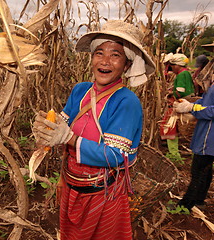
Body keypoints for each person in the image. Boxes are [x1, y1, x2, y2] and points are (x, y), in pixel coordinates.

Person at [33, 20, 155, 240]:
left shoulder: (126, 102)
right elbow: (62, 124)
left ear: (126, 65)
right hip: (72, 185)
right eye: (99, 53)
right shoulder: (80, 90)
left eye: (115, 55)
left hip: (102, 193)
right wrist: (46, 130)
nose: (105, 61)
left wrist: (69, 137)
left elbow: (115, 156)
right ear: (92, 58)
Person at [173, 30, 214, 210]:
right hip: (208, 129)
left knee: (198, 167)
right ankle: (198, 200)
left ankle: (187, 203)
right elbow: (208, 101)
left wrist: (191, 108)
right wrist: (191, 105)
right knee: (204, 166)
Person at [163, 53, 195, 162]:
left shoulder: (181, 75)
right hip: (187, 103)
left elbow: (180, 91)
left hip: (180, 104)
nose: (171, 67)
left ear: (178, 65)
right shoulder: (186, 73)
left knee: (169, 127)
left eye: (172, 65)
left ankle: (174, 154)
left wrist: (170, 95)